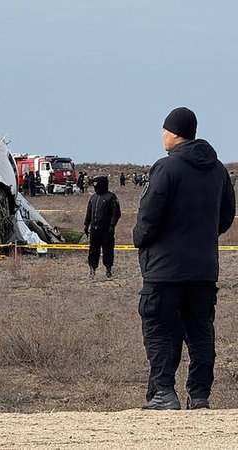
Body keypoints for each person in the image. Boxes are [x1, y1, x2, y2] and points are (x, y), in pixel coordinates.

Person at [133, 107, 235, 410]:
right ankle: (200, 396)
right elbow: (227, 215)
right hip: (203, 269)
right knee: (201, 331)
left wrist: (141, 238)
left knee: (160, 329)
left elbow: (149, 216)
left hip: (164, 270)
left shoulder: (166, 168)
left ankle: (164, 392)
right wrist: (201, 237)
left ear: (172, 132)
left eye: (164, 130)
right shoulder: (217, 169)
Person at [83, 176, 121, 279]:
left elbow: (116, 213)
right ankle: (92, 269)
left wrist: (112, 225)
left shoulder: (111, 197)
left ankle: (108, 269)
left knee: (107, 250)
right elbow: (89, 212)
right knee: (93, 250)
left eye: (97, 184)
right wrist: (86, 225)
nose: (95, 187)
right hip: (94, 230)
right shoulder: (93, 198)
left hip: (106, 230)